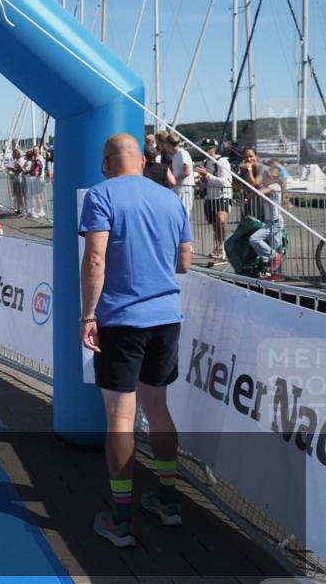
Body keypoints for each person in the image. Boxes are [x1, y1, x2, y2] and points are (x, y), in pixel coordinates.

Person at [79, 134, 193, 548]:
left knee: (120, 418)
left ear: (107, 162)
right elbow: (184, 262)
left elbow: (95, 258)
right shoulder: (170, 199)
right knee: (158, 410)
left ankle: (121, 519)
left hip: (121, 320)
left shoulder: (101, 195)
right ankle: (167, 503)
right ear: (142, 160)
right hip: (165, 317)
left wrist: (88, 314)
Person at [196, 138, 232, 261]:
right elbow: (207, 182)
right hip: (210, 197)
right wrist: (201, 182)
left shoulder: (222, 162)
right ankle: (218, 247)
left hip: (222, 195)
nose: (206, 150)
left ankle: (223, 247)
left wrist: (206, 175)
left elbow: (224, 182)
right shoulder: (206, 162)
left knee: (221, 219)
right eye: (204, 148)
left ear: (214, 149)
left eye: (209, 148)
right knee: (215, 226)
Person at [248, 167, 285, 280]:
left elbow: (260, 192)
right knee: (276, 247)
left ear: (273, 178)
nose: (263, 177)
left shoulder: (275, 186)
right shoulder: (268, 186)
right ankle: (277, 274)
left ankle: (273, 257)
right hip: (270, 222)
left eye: (265, 176)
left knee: (254, 239)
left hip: (275, 222)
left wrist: (251, 194)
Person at [167, 133, 195, 217]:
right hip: (178, 189)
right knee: (179, 214)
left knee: (184, 214)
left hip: (185, 189)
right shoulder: (175, 155)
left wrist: (174, 180)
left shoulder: (183, 153)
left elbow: (187, 172)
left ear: (169, 144)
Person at [238, 147, 267, 219]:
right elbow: (238, 184)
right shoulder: (243, 169)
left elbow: (255, 183)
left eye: (251, 156)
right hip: (248, 204)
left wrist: (249, 170)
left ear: (256, 156)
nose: (249, 159)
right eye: (246, 157)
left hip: (262, 205)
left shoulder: (262, 168)